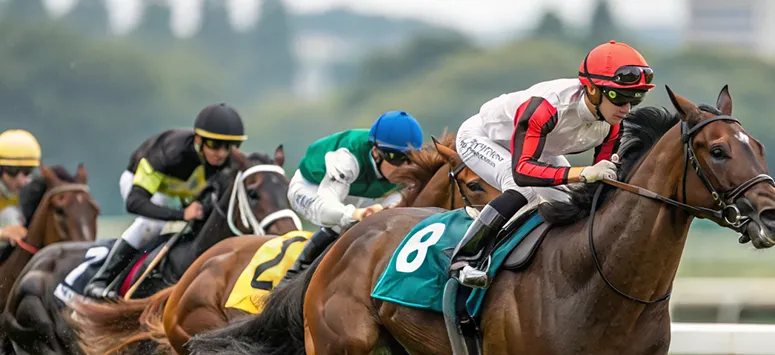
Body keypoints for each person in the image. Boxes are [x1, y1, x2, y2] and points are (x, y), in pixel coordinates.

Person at [450, 40, 655, 288]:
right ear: (591, 89)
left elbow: (601, 179)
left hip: (539, 147)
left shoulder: (612, 122)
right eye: (618, 97)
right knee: (522, 189)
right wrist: (583, 173)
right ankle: (464, 260)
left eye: (635, 100)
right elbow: (523, 171)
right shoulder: (547, 106)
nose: (626, 108)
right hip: (484, 137)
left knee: (572, 201)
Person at [84, 103, 247, 300]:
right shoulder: (170, 154)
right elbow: (134, 203)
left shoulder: (226, 160)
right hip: (146, 185)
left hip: (185, 189)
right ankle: (100, 281)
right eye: (214, 144)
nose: (221, 153)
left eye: (228, 146)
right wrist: (181, 214)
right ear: (199, 140)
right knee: (152, 225)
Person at [276, 110, 424, 286]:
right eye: (398, 158)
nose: (407, 168)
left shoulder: (408, 168)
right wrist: (356, 214)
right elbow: (327, 208)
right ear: (376, 152)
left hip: (358, 192)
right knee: (339, 222)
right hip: (313, 188)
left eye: (413, 159)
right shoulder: (347, 158)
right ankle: (289, 281)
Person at [0, 129, 41, 254]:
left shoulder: (31, 192)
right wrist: (3, 234)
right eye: (14, 171)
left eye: (28, 171)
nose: (22, 180)